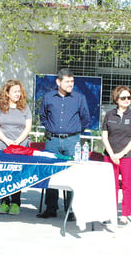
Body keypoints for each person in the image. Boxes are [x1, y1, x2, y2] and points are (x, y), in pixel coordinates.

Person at [37, 68, 90, 220]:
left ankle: (71, 209)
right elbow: (43, 115)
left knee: (72, 174)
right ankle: (51, 208)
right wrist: (50, 129)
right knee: (51, 173)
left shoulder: (79, 98)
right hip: (52, 140)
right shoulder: (48, 97)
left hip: (72, 141)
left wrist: (75, 131)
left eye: (72, 81)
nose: (70, 84)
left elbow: (85, 118)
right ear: (58, 82)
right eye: (67, 81)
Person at [102, 86, 131, 225]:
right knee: (110, 185)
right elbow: (104, 136)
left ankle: (124, 215)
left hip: (127, 156)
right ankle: (109, 212)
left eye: (128, 97)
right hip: (110, 155)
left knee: (126, 185)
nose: (126, 100)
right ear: (116, 99)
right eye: (123, 98)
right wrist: (112, 154)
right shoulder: (109, 115)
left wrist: (121, 154)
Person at [0, 79, 32, 215]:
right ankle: (4, 202)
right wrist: (7, 141)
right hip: (2, 146)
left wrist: (17, 141)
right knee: (3, 174)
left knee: (16, 175)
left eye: (19, 91)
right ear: (7, 93)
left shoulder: (25, 108)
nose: (17, 94)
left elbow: (28, 127)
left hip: (20, 147)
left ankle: (15, 203)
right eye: (14, 91)